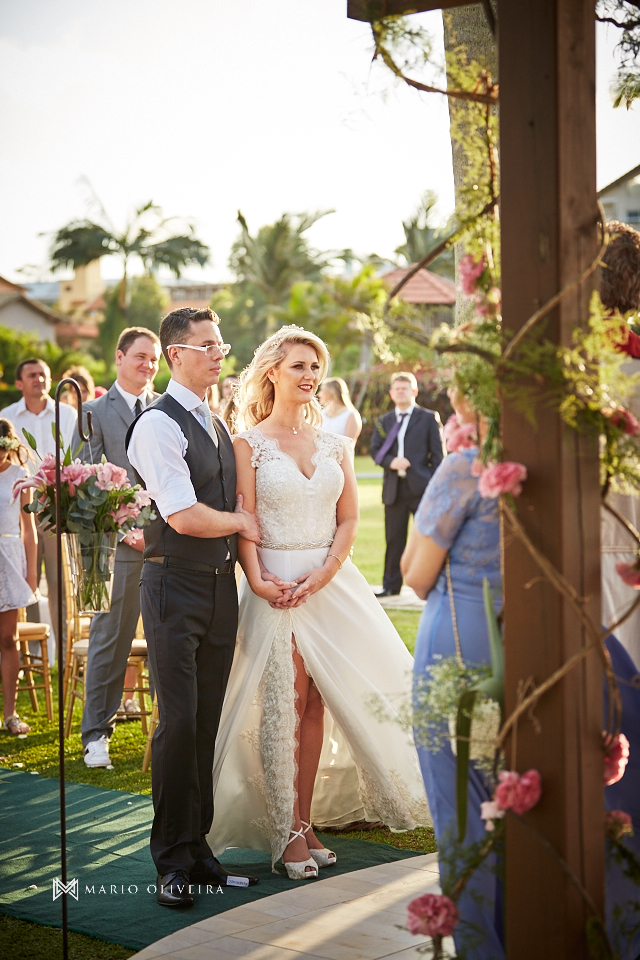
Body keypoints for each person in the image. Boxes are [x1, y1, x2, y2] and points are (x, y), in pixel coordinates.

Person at [206, 326, 429, 880]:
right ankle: (284, 833)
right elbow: (246, 521)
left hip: (331, 583)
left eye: (316, 368)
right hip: (275, 585)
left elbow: (350, 516)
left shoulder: (334, 442)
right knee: (285, 704)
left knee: (317, 706)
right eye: (300, 366)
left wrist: (327, 570)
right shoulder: (247, 443)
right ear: (273, 372)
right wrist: (257, 580)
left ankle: (304, 822)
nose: (310, 377)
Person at [126, 307, 261, 908]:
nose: (219, 353)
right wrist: (242, 522)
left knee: (207, 720)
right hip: (172, 585)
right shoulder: (157, 425)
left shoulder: (215, 417)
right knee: (178, 724)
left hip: (217, 587)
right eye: (207, 345)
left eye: (222, 344)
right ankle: (170, 861)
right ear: (175, 354)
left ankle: (199, 848)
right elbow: (183, 515)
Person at [401, 386, 503, 960]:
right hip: (524, 640)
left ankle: (485, 947)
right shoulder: (552, 463)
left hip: (459, 643)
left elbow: (414, 576)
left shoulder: (467, 467)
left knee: (462, 802)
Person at [73, 327, 161, 769]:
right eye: (141, 357)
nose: (148, 365)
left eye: (154, 359)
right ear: (120, 356)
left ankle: (171, 736)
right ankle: (95, 736)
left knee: (170, 642)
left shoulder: (166, 409)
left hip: (167, 543)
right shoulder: (92, 411)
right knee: (112, 641)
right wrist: (125, 528)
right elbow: (84, 480)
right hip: (118, 547)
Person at [1, 358, 77, 654]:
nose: (39, 379)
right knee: (26, 584)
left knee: (59, 586)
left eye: (43, 375)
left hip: (58, 510)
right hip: (18, 514)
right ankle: (35, 654)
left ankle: (63, 654)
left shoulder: (68, 414)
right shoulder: (6, 416)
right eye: (32, 375)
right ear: (19, 383)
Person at [370, 372, 444, 597]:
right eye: (397, 389)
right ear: (392, 394)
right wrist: (392, 461)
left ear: (414, 392)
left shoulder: (428, 418)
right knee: (394, 539)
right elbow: (375, 451)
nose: (401, 392)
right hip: (394, 489)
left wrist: (432, 484)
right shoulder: (384, 421)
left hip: (422, 489)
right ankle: (391, 586)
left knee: (428, 539)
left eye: (405, 388)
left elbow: (439, 456)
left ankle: (433, 585)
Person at [0, 419, 38, 736]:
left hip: (9, 559)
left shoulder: (20, 477)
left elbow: (30, 531)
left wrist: (32, 574)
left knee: (8, 638)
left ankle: (10, 713)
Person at [319, 377, 362, 442]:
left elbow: (349, 445)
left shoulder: (351, 415)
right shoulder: (321, 414)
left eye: (322, 390)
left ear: (331, 392)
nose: (319, 394)